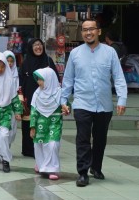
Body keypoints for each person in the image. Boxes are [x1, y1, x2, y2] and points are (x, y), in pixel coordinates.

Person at [60, 19, 127, 187]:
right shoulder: (75, 54)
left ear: (99, 31)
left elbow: (118, 77)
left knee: (100, 138)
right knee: (82, 138)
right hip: (82, 103)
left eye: (91, 29)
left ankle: (96, 167)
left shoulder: (110, 52)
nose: (88, 32)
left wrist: (122, 99)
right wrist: (63, 100)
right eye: (84, 30)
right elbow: (68, 80)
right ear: (81, 33)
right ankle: (82, 172)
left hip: (104, 105)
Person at [19, 38, 56, 157]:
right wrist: (22, 97)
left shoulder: (48, 61)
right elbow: (21, 81)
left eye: (40, 44)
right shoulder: (26, 62)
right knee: (29, 123)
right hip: (29, 98)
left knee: (44, 123)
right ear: (30, 47)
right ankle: (29, 149)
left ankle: (43, 148)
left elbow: (55, 79)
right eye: (35, 45)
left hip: (46, 99)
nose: (38, 47)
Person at [29, 67, 63, 180]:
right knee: (39, 145)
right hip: (40, 124)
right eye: (38, 79)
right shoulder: (37, 94)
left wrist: (66, 109)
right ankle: (41, 164)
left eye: (41, 80)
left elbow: (65, 105)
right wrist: (32, 127)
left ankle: (52, 169)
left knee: (53, 144)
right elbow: (33, 111)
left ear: (49, 79)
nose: (39, 82)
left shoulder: (59, 93)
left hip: (55, 123)